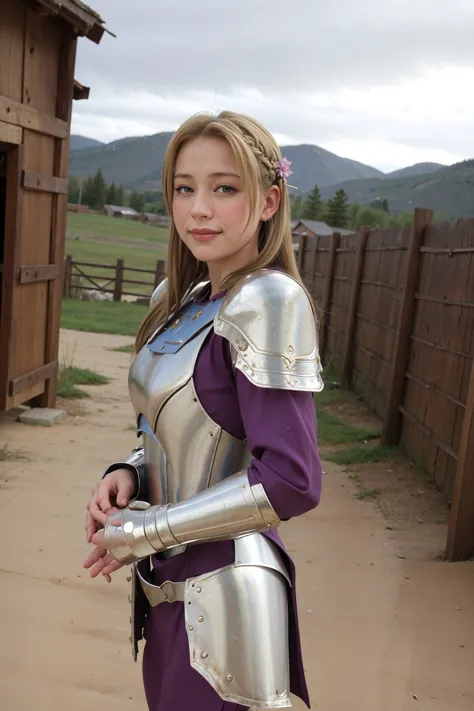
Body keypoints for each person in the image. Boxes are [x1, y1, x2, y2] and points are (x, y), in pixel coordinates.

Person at [83, 110, 324, 711]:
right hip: (169, 587)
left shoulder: (268, 299)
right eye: (184, 188)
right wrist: (128, 473)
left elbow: (293, 479)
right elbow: (170, 427)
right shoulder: (184, 299)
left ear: (269, 202)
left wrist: (146, 529)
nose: (198, 209)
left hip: (226, 596)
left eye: (225, 188)